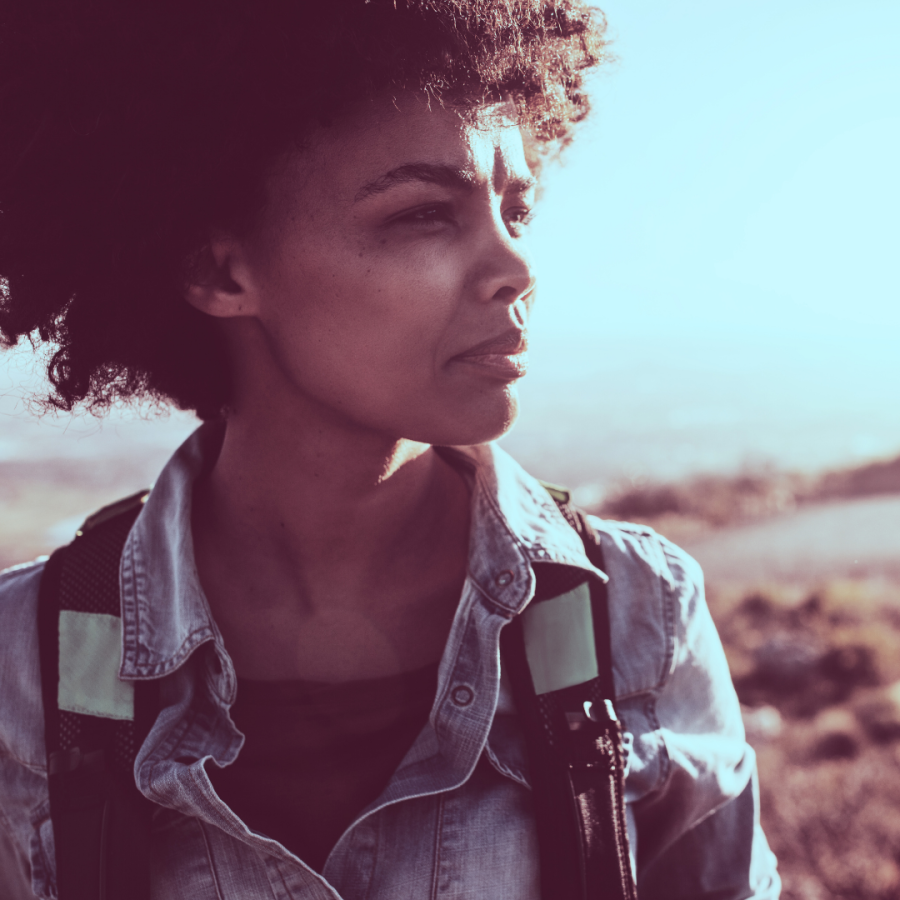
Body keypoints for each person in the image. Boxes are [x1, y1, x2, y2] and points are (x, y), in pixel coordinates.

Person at [0, 1, 780, 897]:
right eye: (422, 216)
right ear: (220, 273)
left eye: (514, 208)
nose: (516, 267)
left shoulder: (636, 619)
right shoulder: (25, 663)